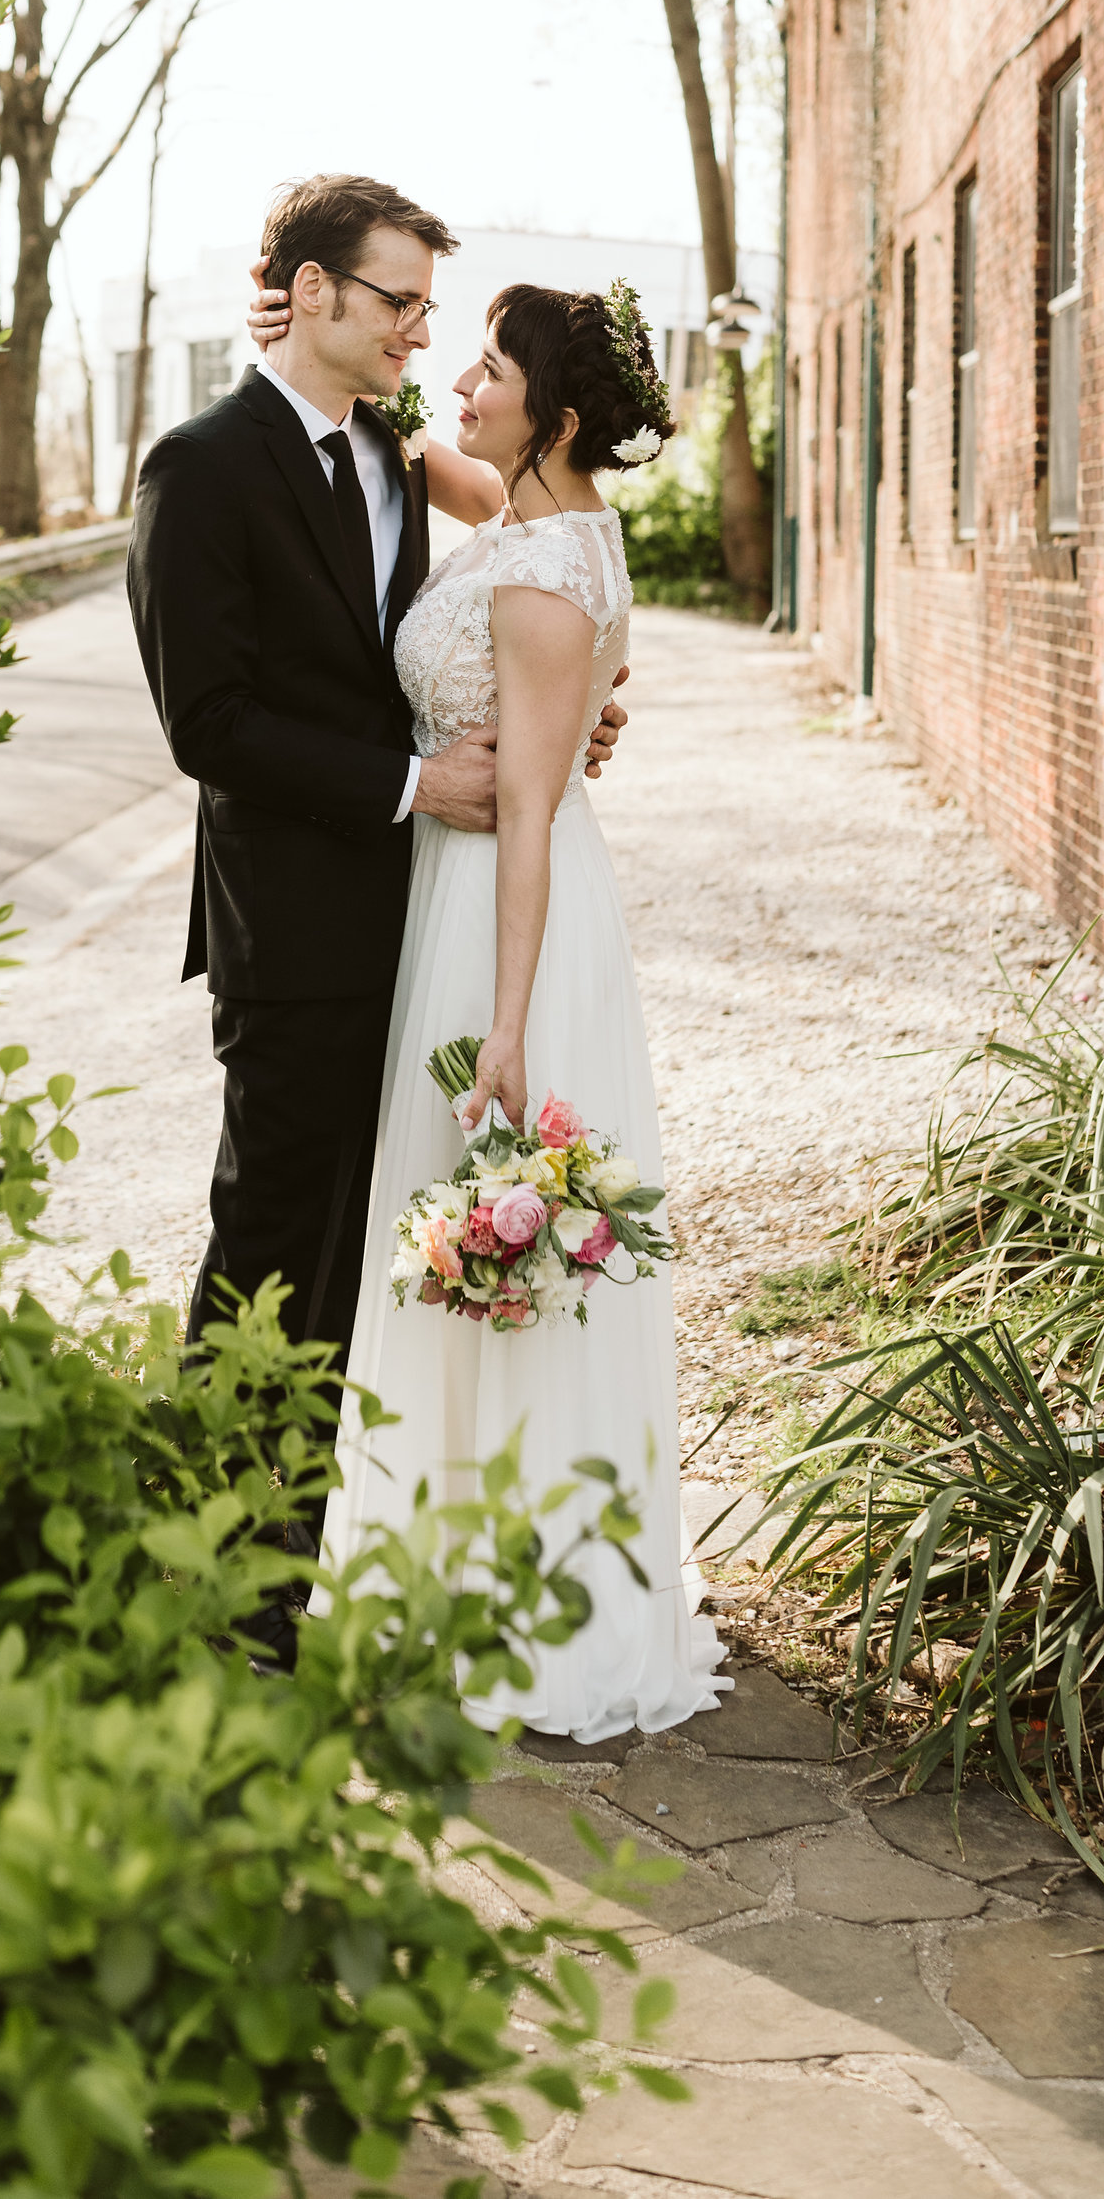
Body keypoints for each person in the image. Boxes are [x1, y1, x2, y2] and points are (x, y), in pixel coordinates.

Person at [247, 269, 725, 1739]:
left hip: (506, 923)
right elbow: (420, 451)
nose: (461, 383)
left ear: (555, 414)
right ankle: (474, 1559)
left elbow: (525, 812)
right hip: (485, 898)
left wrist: (505, 1024)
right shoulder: (548, 519)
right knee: (477, 1259)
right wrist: (309, 349)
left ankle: (519, 1597)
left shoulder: (535, 571)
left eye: (490, 371)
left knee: (491, 1246)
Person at [126, 174, 630, 1372]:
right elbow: (207, 722)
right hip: (294, 918)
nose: (420, 332)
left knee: (380, 1248)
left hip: (425, 915)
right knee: (269, 1239)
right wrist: (416, 786)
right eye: (399, 303)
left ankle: (333, 1531)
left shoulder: (393, 447)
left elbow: (534, 569)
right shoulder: (197, 468)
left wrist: (563, 719)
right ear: (310, 291)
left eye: (426, 307)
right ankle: (217, 1534)